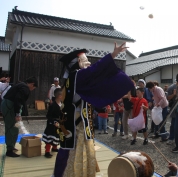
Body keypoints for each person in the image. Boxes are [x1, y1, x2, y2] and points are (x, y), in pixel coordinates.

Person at [52, 43, 134, 177]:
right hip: (76, 123)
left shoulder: (72, 78)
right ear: (78, 62)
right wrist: (113, 54)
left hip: (73, 121)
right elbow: (96, 69)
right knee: (75, 150)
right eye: (85, 60)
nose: (89, 63)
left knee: (69, 149)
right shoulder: (78, 75)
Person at [1, 76, 38, 157]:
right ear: (32, 84)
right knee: (12, 128)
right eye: (34, 87)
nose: (33, 89)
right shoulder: (25, 88)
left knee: (13, 127)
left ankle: (11, 146)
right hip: (10, 107)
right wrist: (17, 114)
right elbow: (18, 100)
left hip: (7, 105)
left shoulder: (21, 85)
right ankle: (9, 150)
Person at [42, 88, 63, 158]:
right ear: (59, 96)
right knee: (50, 137)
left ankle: (54, 147)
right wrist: (54, 122)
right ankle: (47, 151)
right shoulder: (53, 105)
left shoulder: (62, 105)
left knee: (57, 136)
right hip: (52, 124)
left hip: (59, 123)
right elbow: (48, 116)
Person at [166, 73, 178, 145]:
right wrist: (173, 94)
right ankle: (171, 138)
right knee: (173, 125)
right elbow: (167, 98)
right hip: (174, 109)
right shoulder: (172, 87)